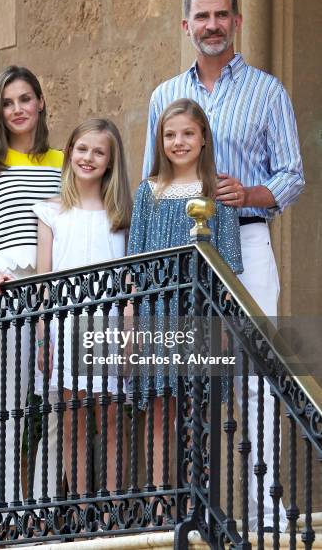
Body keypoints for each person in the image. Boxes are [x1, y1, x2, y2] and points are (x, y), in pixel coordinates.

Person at [142, 0, 304, 532]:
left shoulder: (267, 90)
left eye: (221, 16)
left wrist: (250, 194)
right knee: (190, 375)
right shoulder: (164, 96)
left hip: (249, 243)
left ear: (237, 21)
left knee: (256, 371)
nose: (211, 25)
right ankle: (193, 510)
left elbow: (293, 174)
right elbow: (152, 178)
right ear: (186, 25)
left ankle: (266, 512)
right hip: (183, 257)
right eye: (201, 16)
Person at [0, 65, 63, 506]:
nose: (17, 109)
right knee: (9, 409)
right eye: (7, 103)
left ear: (40, 102)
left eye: (25, 99)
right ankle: (7, 511)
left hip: (62, 293)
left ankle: (40, 507)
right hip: (8, 293)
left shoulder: (65, 160)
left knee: (62, 407)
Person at [128, 97, 243, 485]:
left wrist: (225, 323)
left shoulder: (217, 189)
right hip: (156, 313)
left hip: (202, 313)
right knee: (161, 409)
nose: (178, 142)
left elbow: (229, 266)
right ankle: (162, 503)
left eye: (188, 134)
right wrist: (131, 318)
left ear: (204, 139)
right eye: (170, 134)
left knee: (199, 410)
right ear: (160, 141)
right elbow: (134, 261)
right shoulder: (149, 191)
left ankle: (198, 502)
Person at [32, 118, 132, 495]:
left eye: (98, 152)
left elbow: (128, 282)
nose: (88, 158)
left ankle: (110, 508)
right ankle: (80, 507)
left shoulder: (122, 215)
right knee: (71, 421)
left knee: (110, 420)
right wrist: (43, 332)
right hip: (64, 325)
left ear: (110, 161)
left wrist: (127, 330)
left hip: (106, 325)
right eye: (82, 149)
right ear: (70, 152)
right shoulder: (51, 212)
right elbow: (44, 279)